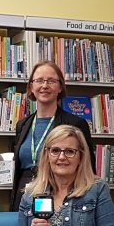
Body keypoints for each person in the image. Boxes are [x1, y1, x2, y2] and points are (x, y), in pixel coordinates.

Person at [11, 61, 95, 211]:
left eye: (51, 81)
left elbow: (88, 167)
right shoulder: (22, 125)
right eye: (39, 81)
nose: (45, 86)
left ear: (60, 87)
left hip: (58, 192)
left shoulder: (76, 124)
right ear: (31, 86)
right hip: (25, 193)